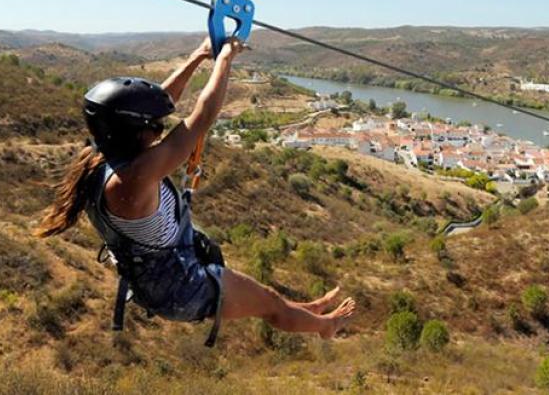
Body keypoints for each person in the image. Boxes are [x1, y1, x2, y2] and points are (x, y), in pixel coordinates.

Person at [34, 36, 355, 339]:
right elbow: (202, 117)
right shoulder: (134, 177)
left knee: (269, 299)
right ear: (135, 131)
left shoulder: (101, 152)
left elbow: (159, 102)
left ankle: (308, 311)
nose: (160, 129)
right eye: (155, 126)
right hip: (184, 287)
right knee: (271, 309)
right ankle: (323, 327)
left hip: (169, 274)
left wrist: (198, 57)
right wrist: (225, 59)